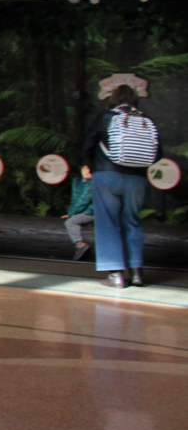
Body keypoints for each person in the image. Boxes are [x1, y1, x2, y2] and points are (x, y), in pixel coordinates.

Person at [83, 84, 156, 287]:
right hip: (137, 180)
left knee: (108, 223)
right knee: (132, 222)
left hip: (106, 176)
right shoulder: (146, 120)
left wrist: (92, 166)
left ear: (114, 99)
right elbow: (157, 154)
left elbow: (87, 145)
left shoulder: (105, 117)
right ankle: (137, 273)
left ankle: (115, 275)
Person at [62, 165, 94, 260]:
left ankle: (80, 244)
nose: (87, 170)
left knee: (70, 222)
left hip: (92, 213)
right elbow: (75, 200)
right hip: (82, 212)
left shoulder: (93, 183)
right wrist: (70, 213)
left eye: (90, 169)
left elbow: (84, 201)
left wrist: (72, 214)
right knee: (70, 219)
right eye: (85, 168)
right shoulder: (77, 182)